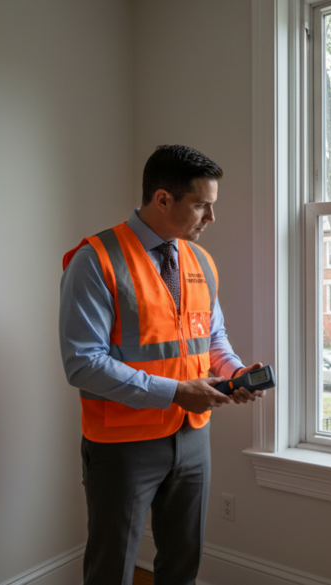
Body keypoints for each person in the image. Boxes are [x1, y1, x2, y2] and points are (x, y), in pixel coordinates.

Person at [59, 144, 264, 585]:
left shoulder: (200, 261)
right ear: (163, 199)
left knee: (182, 565)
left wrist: (234, 373)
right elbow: (82, 363)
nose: (211, 218)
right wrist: (175, 391)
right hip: (122, 445)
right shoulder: (94, 260)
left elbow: (212, 339)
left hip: (192, 438)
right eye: (202, 206)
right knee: (111, 569)